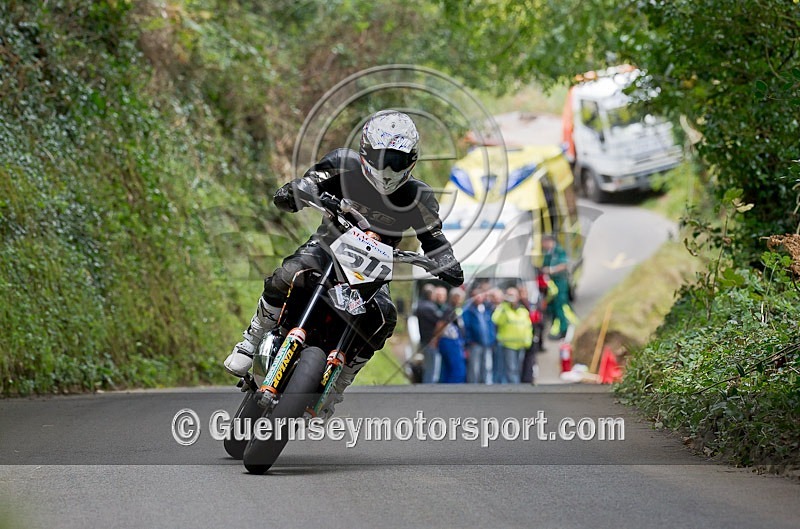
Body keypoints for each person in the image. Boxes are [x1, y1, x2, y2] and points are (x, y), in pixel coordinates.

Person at [224, 110, 464, 416]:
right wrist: (295, 193)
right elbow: (306, 184)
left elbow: (434, 238)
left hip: (373, 272)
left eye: (397, 160)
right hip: (328, 248)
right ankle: (251, 339)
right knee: (288, 273)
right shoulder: (342, 163)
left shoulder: (420, 196)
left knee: (385, 318)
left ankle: (338, 385)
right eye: (381, 157)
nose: (388, 167)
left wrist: (446, 262)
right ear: (366, 150)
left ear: (412, 161)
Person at [491, 286, 533, 384]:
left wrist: (528, 341)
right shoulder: (504, 309)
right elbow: (496, 320)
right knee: (511, 369)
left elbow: (528, 327)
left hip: (521, 345)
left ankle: (515, 387)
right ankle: (515, 389)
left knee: (518, 369)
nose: (511, 298)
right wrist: (503, 305)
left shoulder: (523, 311)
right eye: (509, 295)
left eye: (513, 295)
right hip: (508, 345)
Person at [542, 234, 572, 339]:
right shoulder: (548, 253)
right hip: (552, 285)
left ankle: (564, 329)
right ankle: (558, 329)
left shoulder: (558, 251)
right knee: (554, 308)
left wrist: (551, 270)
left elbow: (564, 265)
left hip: (560, 282)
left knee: (560, 306)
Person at [462, 285, 494, 383]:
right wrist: (469, 341)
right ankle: (474, 386)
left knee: (487, 366)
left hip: (487, 343)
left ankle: (487, 386)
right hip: (474, 343)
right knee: (474, 367)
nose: (478, 298)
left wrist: (492, 338)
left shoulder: (487, 309)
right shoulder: (468, 310)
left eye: (480, 295)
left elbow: (490, 326)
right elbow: (466, 328)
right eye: (475, 296)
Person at [414, 284, 443, 384]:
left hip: (424, 339)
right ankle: (429, 388)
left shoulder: (419, 306)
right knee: (432, 368)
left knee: (428, 366)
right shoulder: (430, 307)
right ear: (430, 295)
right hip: (431, 340)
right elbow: (440, 320)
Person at [437, 288, 467, 383]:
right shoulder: (449, 310)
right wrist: (436, 338)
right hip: (450, 341)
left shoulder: (455, 310)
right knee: (457, 369)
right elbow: (440, 325)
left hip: (453, 341)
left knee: (447, 369)